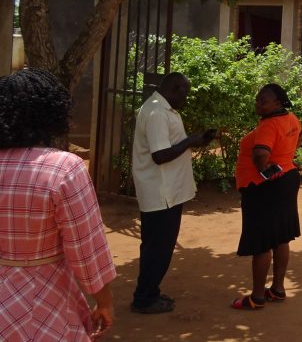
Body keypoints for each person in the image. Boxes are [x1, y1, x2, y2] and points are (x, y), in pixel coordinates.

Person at [0, 68, 117, 340]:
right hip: (44, 295)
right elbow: (86, 247)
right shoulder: (63, 167)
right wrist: (104, 301)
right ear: (53, 113)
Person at [131, 72, 216, 314]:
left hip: (166, 191)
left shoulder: (163, 109)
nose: (186, 98)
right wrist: (190, 141)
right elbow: (160, 156)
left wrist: (195, 140)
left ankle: (150, 292)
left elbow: (169, 147)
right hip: (161, 192)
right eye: (185, 93)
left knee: (157, 247)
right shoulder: (157, 113)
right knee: (158, 248)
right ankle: (144, 298)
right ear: (174, 88)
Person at [231, 83, 302, 310]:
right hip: (287, 182)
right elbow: (298, 137)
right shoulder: (290, 118)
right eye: (257, 99)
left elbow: (261, 154)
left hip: (264, 188)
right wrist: (284, 161)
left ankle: (257, 297)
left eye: (263, 100)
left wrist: (267, 172)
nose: (258, 103)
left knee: (262, 242)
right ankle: (278, 289)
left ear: (277, 103)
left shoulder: (269, 125)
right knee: (281, 237)